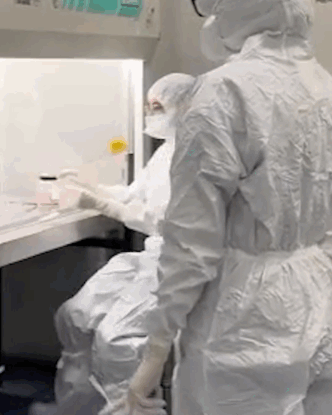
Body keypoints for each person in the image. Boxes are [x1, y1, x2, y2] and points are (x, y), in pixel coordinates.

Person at [123, 0, 332, 415]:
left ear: (237, 6)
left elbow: (191, 244)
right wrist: (304, 283)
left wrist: (155, 351)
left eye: (213, 6)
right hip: (319, 305)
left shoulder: (222, 93)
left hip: (242, 322)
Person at [34, 73, 197, 415]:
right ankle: (77, 407)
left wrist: (98, 204)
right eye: (148, 106)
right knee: (74, 316)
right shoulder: (167, 151)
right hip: (150, 257)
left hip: (177, 265)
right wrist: (90, 186)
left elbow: (160, 220)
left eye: (158, 107)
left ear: (185, 107)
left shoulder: (196, 157)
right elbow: (135, 195)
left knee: (116, 339)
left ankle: (125, 409)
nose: (150, 114)